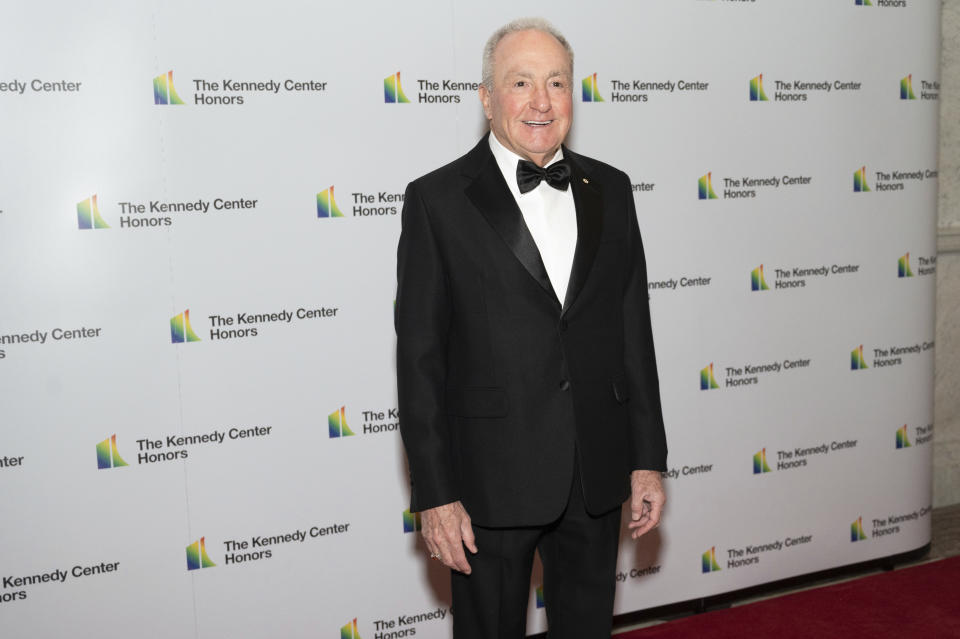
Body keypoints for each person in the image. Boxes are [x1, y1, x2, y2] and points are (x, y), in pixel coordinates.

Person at [395, 17, 668, 639]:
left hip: (593, 475)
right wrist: (436, 494)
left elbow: (634, 333)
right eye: (521, 83)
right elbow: (420, 362)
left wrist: (647, 457)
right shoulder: (437, 201)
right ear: (488, 98)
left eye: (556, 82)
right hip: (487, 483)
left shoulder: (613, 190)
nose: (541, 102)